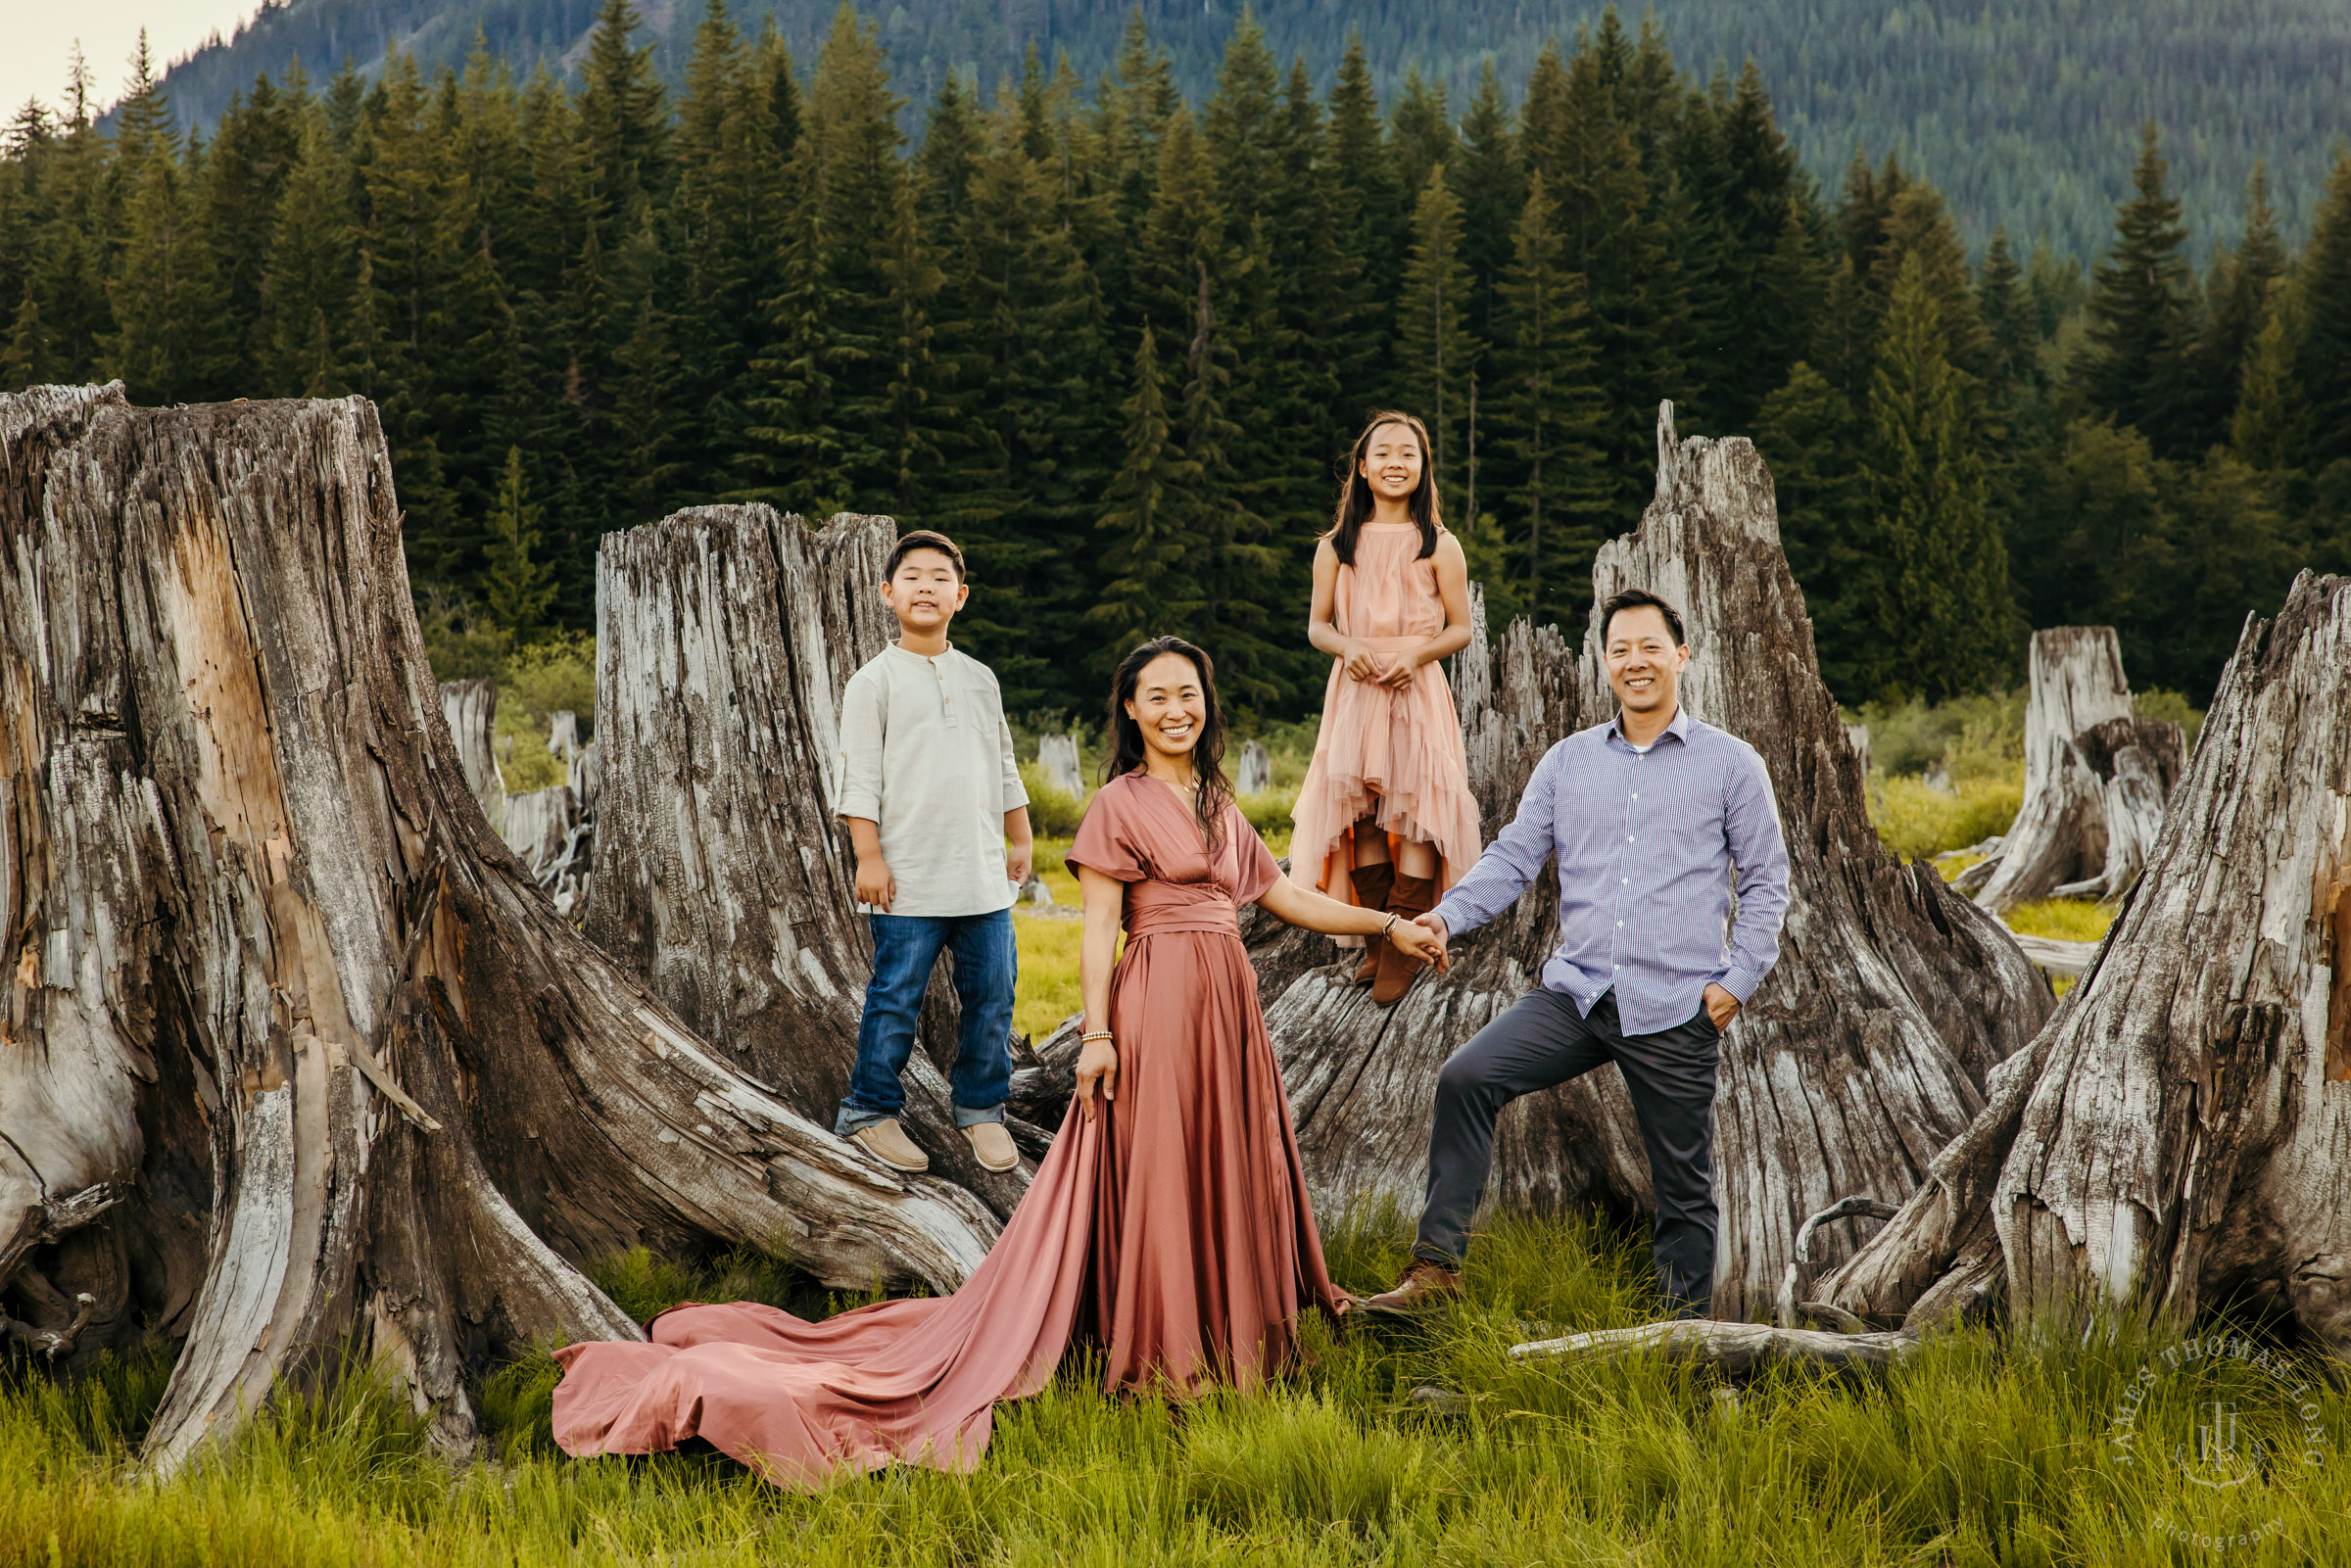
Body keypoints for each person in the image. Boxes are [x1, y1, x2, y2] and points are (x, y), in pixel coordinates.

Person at [549, 636, 1446, 1489]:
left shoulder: (1217, 803)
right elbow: (1099, 928)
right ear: (1130, 712)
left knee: (1224, 1160)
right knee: (1163, 1167)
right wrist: (1097, 1034)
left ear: (1208, 707)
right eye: (1158, 696)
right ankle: (1166, 1352)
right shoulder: (1119, 803)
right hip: (1160, 1000)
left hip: (1229, 1006)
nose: (1177, 709)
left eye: (1189, 694)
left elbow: (1284, 894)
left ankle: (1239, 1330)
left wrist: (1386, 923)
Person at [1364, 588, 1791, 1319]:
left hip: (1675, 1005)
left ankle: (1679, 1338)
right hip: (1578, 996)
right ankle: (1436, 1274)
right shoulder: (1568, 762)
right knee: (1466, 1078)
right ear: (1604, 662)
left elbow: (1767, 881)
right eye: (1620, 649)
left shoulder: (1732, 765)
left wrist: (1735, 984)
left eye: (1651, 646)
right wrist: (1440, 918)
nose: (1636, 661)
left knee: (1683, 1188)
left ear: (1681, 655)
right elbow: (1512, 859)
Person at [833, 529, 1032, 1176]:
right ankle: (870, 1108)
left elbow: (1002, 761)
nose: (926, 585)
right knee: (896, 995)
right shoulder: (874, 683)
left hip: (980, 877)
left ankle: (979, 1107)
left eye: (940, 577)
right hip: (908, 879)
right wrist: (869, 855)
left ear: (961, 595)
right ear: (887, 593)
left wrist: (1022, 833)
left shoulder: (979, 679)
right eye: (912, 576)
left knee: (995, 993)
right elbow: (859, 776)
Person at [1288, 410, 1482, 1005]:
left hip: (1415, 689)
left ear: (1423, 469)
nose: (1396, 463)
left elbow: (1462, 628)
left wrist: (1418, 655)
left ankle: (1405, 946)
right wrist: (1349, 649)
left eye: (1409, 454)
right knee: (1365, 816)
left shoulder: (1439, 544)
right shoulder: (1337, 547)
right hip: (1357, 688)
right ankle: (1376, 938)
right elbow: (1319, 627)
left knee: (1416, 809)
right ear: (1364, 468)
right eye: (1384, 454)